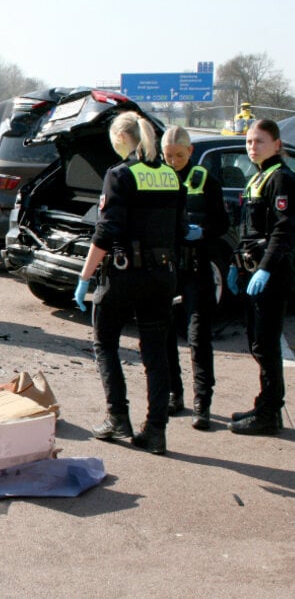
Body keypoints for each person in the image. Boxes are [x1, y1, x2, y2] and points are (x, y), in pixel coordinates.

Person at [75, 111, 186, 455]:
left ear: (122, 139)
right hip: (162, 276)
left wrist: (85, 276)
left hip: (125, 275)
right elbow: (179, 230)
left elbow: (106, 232)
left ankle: (117, 416)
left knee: (104, 341)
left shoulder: (119, 174)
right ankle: (155, 431)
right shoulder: (170, 175)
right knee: (156, 354)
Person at [225, 119, 294, 435]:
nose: (252, 147)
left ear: (277, 144)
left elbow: (283, 229)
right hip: (252, 269)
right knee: (257, 343)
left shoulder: (281, 178)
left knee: (266, 345)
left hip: (273, 273)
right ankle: (265, 404)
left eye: (260, 141)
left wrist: (265, 268)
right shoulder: (260, 176)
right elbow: (248, 230)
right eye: (250, 142)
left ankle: (269, 414)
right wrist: (235, 263)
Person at [161, 125, 229, 430]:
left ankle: (203, 403)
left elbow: (222, 224)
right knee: (164, 334)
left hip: (197, 267)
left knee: (198, 336)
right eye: (168, 155)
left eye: (178, 154)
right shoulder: (157, 177)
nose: (173, 160)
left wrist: (202, 232)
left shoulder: (205, 180)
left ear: (190, 152)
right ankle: (175, 394)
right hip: (168, 267)